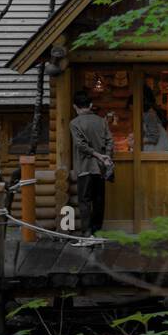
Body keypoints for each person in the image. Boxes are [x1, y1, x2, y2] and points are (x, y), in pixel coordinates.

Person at [70, 89, 113, 246]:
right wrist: (106, 157)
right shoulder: (101, 121)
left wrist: (96, 155)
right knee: (99, 200)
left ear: (75, 106)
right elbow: (110, 141)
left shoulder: (74, 123)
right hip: (100, 168)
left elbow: (80, 145)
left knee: (85, 201)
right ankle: (97, 233)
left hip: (85, 167)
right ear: (91, 105)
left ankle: (87, 235)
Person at [142, 87, 168, 151]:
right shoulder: (152, 111)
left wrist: (137, 140)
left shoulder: (149, 114)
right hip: (160, 148)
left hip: (156, 150)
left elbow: (153, 137)